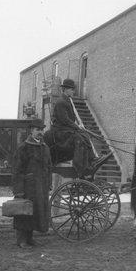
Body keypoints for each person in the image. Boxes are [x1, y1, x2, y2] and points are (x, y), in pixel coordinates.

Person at [12, 119, 51, 247]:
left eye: (41, 130)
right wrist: (18, 190)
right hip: (28, 186)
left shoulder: (45, 148)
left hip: (40, 186)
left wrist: (48, 184)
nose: (40, 132)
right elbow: (17, 170)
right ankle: (21, 240)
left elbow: (48, 168)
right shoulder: (24, 147)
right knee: (24, 212)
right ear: (31, 131)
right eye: (37, 130)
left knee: (35, 212)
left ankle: (29, 238)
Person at [46, 78, 97, 178]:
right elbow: (65, 120)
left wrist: (78, 128)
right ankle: (80, 166)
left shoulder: (67, 101)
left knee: (84, 136)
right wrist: (77, 127)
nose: (73, 91)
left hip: (66, 129)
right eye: (72, 89)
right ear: (65, 89)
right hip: (60, 131)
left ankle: (91, 159)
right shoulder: (61, 102)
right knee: (79, 138)